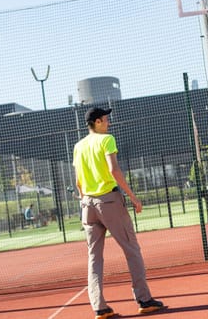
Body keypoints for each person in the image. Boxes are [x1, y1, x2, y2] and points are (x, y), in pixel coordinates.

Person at [73, 107, 165, 319]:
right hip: (109, 201)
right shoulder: (106, 140)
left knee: (94, 257)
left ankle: (99, 307)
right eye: (106, 119)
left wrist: (84, 199)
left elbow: (78, 180)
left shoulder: (78, 146)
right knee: (131, 249)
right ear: (97, 122)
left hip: (87, 204)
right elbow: (114, 170)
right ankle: (144, 299)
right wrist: (133, 197)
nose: (109, 122)